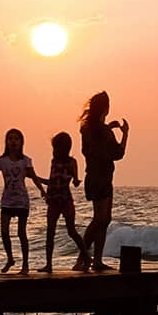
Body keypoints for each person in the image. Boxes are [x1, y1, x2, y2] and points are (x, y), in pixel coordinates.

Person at [78, 91, 129, 272]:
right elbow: (118, 153)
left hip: (92, 177)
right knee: (101, 219)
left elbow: (94, 145)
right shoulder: (103, 132)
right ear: (106, 108)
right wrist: (125, 133)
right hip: (103, 178)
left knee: (103, 219)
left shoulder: (87, 128)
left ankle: (93, 260)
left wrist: (108, 127)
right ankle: (84, 259)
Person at [0, 128, 46, 274]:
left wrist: (42, 190)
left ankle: (25, 265)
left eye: (16, 139)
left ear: (21, 142)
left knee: (22, 233)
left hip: (22, 201)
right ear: (6, 142)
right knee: (4, 231)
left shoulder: (25, 161)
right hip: (7, 201)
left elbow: (34, 177)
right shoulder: (1, 161)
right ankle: (10, 258)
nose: (13, 142)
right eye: (10, 139)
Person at [37, 132, 90, 273]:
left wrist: (76, 180)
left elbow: (75, 180)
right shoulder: (54, 162)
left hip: (65, 200)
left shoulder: (72, 162)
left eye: (57, 147)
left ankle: (86, 257)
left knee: (71, 231)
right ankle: (48, 264)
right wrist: (35, 178)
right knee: (50, 232)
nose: (56, 150)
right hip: (53, 201)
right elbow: (51, 182)